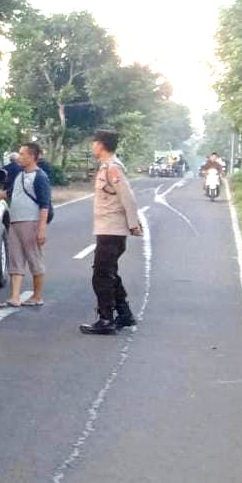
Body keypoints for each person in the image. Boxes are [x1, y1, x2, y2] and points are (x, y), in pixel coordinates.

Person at [79, 128, 143, 335]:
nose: (92, 146)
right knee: (109, 273)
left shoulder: (113, 168)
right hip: (108, 229)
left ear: (101, 145)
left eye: (94, 142)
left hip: (112, 230)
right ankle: (124, 314)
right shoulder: (107, 167)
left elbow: (128, 197)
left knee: (101, 276)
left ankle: (106, 319)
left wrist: (133, 224)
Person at [0, 141, 52, 308]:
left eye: (23, 154)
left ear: (32, 156)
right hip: (15, 221)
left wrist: (42, 229)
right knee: (15, 259)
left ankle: (37, 296)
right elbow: (10, 193)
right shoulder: (20, 175)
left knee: (34, 259)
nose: (20, 157)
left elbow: (45, 205)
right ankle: (15, 297)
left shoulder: (40, 177)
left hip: (31, 222)